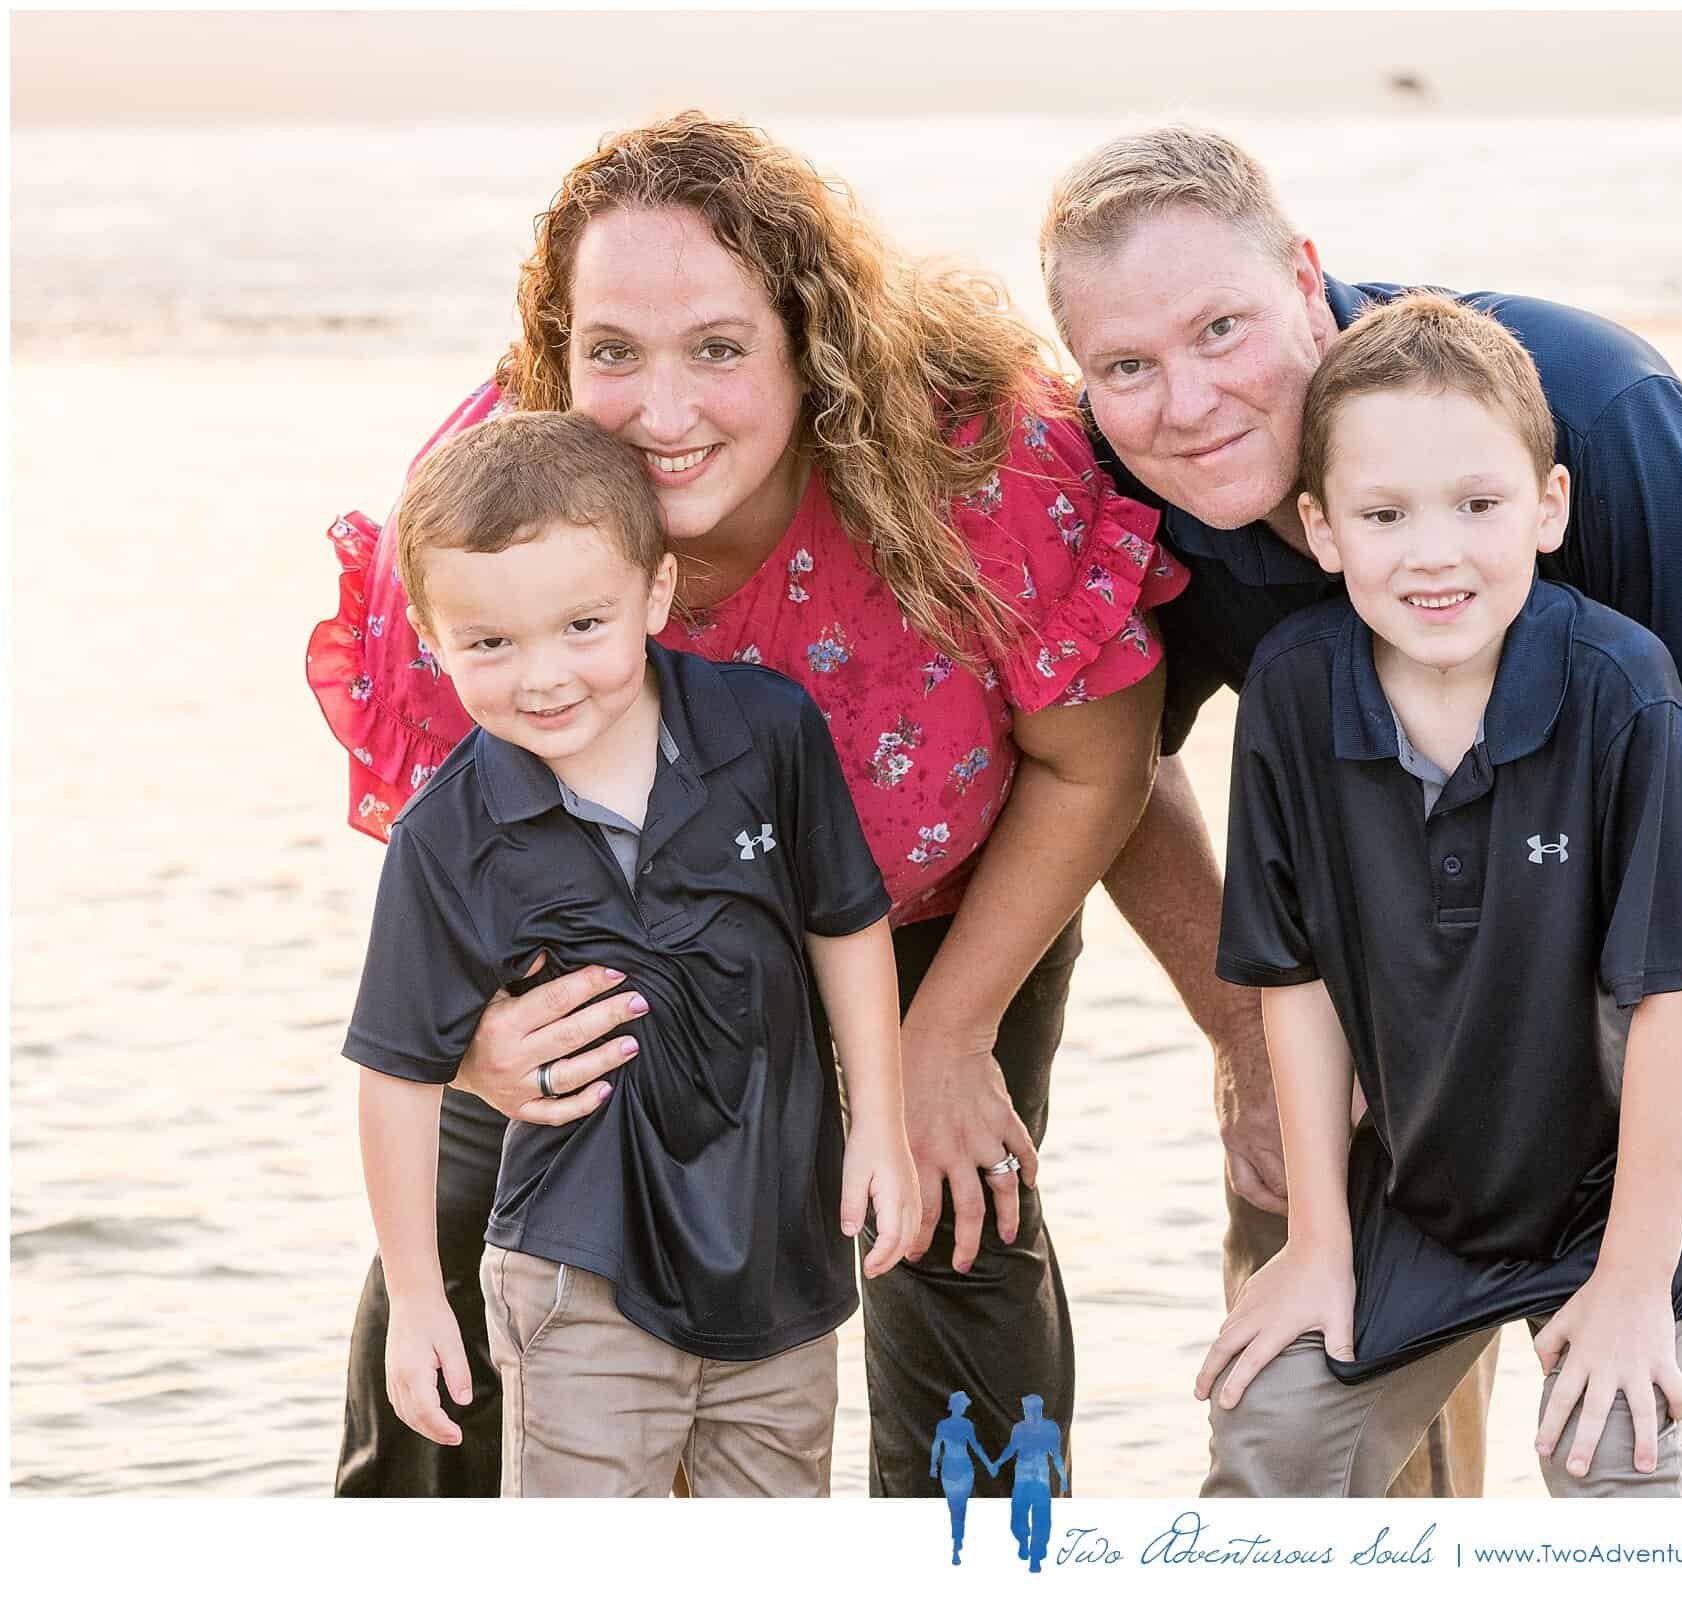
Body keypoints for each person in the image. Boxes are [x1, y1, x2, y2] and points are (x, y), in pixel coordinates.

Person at [307, 113, 1185, 1497]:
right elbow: (446, 842)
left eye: (718, 348)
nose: (663, 413)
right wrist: (471, 1044)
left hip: (925, 920)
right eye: (613, 353)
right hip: (596, 926)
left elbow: (1100, 760)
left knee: (956, 1227)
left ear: (808, 341)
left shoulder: (976, 465)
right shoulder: (493, 503)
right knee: (474, 1202)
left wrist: (947, 1035)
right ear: (556, 350)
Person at [1040, 124, 1682, 1499]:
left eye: (1223, 328)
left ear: (1305, 274)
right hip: (1408, 816)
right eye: (1128, 366)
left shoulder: (1573, 404)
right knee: (1315, 1191)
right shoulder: (1118, 480)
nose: (1186, 401)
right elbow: (1110, 769)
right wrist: (1244, 1034)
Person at [1196, 292, 1682, 1496]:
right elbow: (1292, 976)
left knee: (1612, 1449)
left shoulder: (1622, 689)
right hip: (1428, 1178)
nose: (1433, 551)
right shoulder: (1295, 692)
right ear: (1319, 528)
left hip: (1619, 1193)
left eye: (1476, 504)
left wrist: (1629, 1283)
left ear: (1547, 506)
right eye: (1382, 514)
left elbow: (1681, 1002)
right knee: (1273, 1424)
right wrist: (1314, 1240)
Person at [344, 409, 918, 1495]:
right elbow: (396, 1074)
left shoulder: (766, 732)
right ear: (430, 636)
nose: (542, 677)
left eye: (581, 626)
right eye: (488, 644)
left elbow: (844, 925)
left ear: (654, 595)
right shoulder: (445, 836)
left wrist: (877, 1128)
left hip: (776, 1248)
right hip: (576, 1271)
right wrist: (419, 1297)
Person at [991, 1394, 1066, 1569]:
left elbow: (1056, 1455)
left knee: (1041, 1517)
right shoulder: (1019, 1429)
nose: (1027, 1413)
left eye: (1030, 1410)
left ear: (1039, 1409)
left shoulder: (1050, 1428)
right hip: (1023, 1476)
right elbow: (1011, 1449)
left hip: (1039, 1477)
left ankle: (1036, 1554)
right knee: (1019, 1516)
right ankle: (1024, 1542)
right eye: (1025, 1410)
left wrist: (1062, 1477)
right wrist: (998, 1463)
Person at [930, 1392, 998, 1564]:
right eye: (962, 1405)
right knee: (959, 1507)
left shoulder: (947, 1425)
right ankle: (957, 1542)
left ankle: (957, 1543)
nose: (963, 1408)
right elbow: (974, 1447)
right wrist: (989, 1465)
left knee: (956, 1507)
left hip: (955, 1468)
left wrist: (989, 1464)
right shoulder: (961, 1425)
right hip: (959, 1468)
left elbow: (974, 1447)